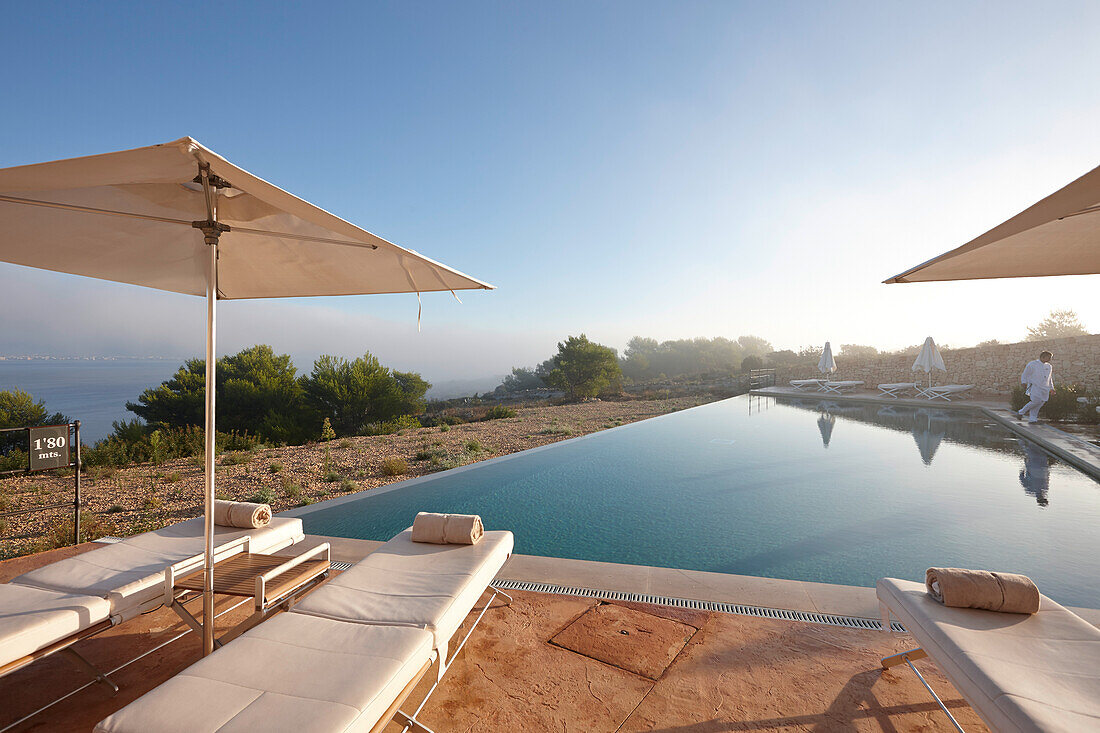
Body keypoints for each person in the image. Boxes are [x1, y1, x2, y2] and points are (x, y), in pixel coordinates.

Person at [1017, 351, 1054, 423]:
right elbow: (1025, 374)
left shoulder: (1049, 366)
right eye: (1049, 357)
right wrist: (1023, 382)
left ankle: (1032, 419)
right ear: (1043, 356)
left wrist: (1052, 388)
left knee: (1041, 403)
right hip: (1035, 386)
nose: (1050, 359)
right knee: (1036, 401)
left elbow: (1050, 378)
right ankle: (1021, 412)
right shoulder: (1032, 364)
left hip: (1045, 388)